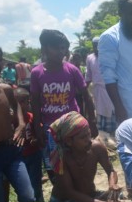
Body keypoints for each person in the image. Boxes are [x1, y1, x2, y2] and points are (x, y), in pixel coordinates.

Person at [30, 29, 98, 183]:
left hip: (72, 126)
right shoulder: (36, 73)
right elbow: (34, 102)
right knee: (54, 165)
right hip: (50, 128)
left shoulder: (72, 70)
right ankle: (61, 194)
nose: (62, 52)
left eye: (64, 48)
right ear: (45, 48)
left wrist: (91, 121)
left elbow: (86, 96)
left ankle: (82, 190)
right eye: (57, 48)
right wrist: (38, 126)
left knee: (78, 160)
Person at [49, 111, 119, 202]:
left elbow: (111, 171)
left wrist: (112, 185)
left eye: (89, 134)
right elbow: (69, 192)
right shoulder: (62, 158)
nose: (88, 140)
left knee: (119, 200)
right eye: (83, 137)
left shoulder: (97, 147)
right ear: (69, 141)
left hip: (90, 196)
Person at [0, 49, 35, 202]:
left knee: (28, 196)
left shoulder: (5, 89)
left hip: (10, 151)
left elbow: (17, 106)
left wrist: (20, 124)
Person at [14, 87, 44, 202]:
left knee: (36, 181)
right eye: (27, 102)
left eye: (25, 102)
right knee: (22, 184)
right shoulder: (12, 120)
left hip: (34, 154)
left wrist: (36, 139)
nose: (22, 105)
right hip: (19, 157)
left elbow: (39, 131)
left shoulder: (31, 117)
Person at [86, 37, 116, 134]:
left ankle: (112, 135)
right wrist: (83, 90)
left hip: (110, 91)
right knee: (99, 112)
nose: (96, 48)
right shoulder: (90, 58)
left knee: (111, 112)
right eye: (94, 46)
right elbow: (88, 76)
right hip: (98, 92)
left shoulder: (109, 57)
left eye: (98, 46)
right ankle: (102, 135)